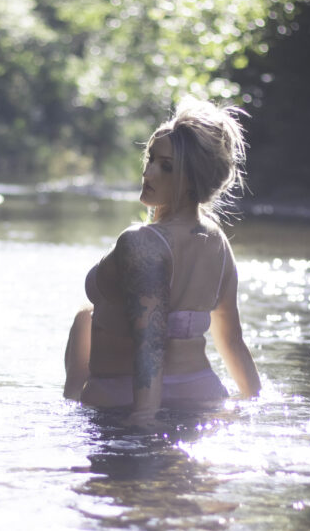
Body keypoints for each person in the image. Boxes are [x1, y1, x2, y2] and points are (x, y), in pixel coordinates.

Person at [63, 96, 262, 424]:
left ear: (191, 179)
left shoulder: (141, 242)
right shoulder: (216, 241)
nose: (149, 171)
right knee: (86, 315)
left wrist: (144, 420)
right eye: (151, 158)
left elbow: (149, 345)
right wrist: (255, 406)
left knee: (88, 315)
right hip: (204, 394)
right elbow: (232, 341)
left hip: (122, 399)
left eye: (166, 167)